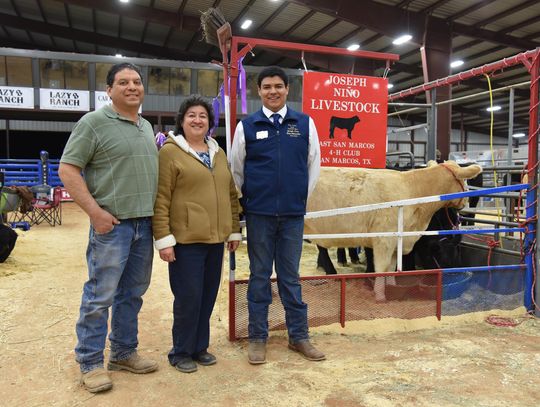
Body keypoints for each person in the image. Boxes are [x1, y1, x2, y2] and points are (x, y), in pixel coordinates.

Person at [59, 62, 159, 393]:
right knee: (99, 295)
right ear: (109, 90)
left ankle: (123, 351)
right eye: (123, 82)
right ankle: (89, 361)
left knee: (132, 294)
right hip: (112, 226)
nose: (132, 87)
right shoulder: (93, 123)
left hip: (144, 225)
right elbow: (68, 169)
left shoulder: (145, 126)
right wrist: (94, 212)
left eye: (137, 82)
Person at [230, 66, 325, 364]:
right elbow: (236, 170)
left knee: (290, 277)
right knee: (259, 276)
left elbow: (314, 167)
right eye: (267, 86)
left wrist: (297, 200)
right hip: (259, 215)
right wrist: (251, 202)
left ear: (287, 90)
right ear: (258, 91)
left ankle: (299, 336)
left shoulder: (305, 124)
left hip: (293, 216)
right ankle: (258, 337)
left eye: (278, 86)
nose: (273, 91)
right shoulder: (246, 126)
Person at [152, 95, 241, 374]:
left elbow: (230, 194)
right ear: (182, 120)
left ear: (210, 123)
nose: (197, 120)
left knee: (207, 296)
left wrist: (234, 229)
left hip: (216, 241)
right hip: (186, 241)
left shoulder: (218, 152)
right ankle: (180, 351)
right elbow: (161, 197)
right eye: (191, 115)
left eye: (202, 116)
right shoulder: (170, 151)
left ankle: (200, 347)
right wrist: (163, 239)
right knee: (188, 297)